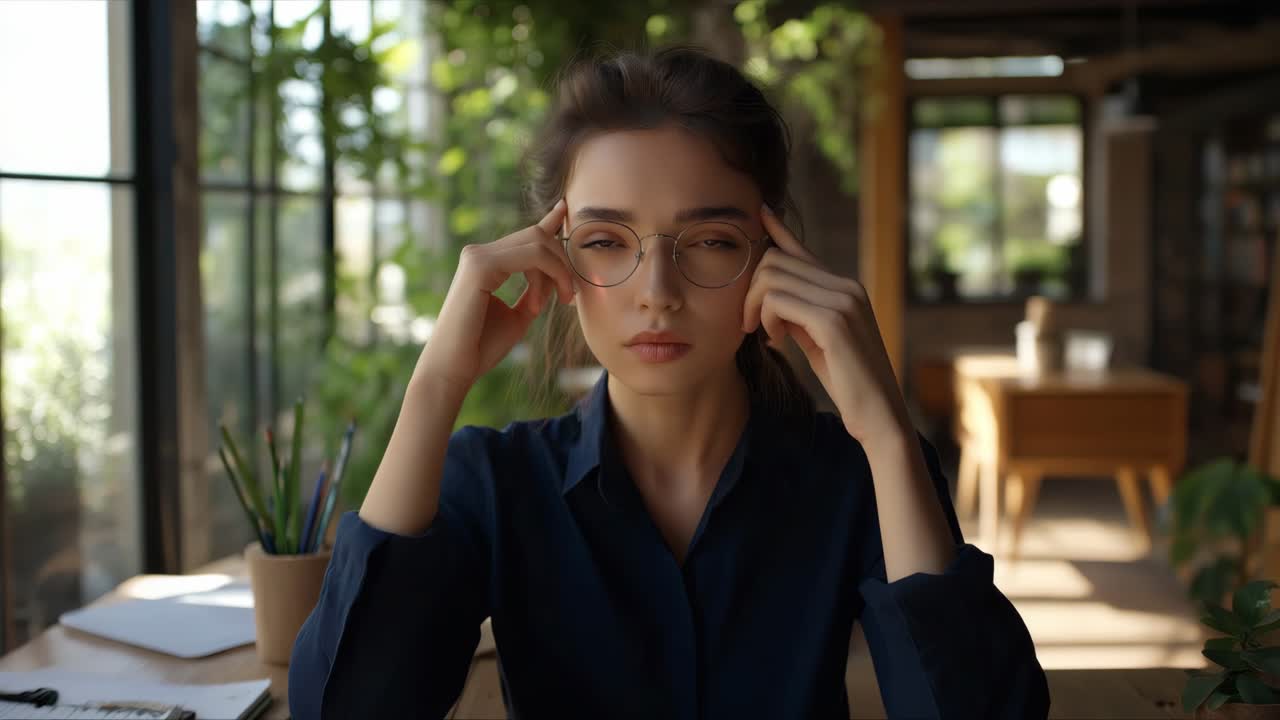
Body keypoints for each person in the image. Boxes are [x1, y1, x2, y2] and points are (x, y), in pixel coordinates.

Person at [288, 46, 1049, 719]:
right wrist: (435, 384)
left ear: (770, 253)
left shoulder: (857, 476)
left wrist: (886, 434)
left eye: (712, 241)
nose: (657, 290)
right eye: (605, 241)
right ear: (557, 260)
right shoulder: (496, 482)